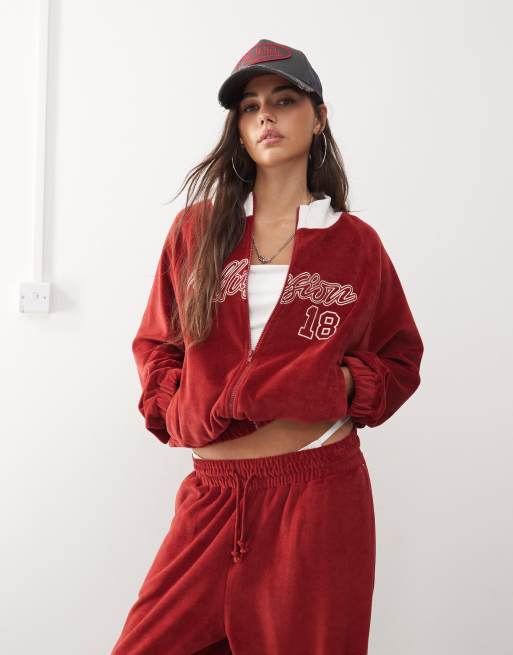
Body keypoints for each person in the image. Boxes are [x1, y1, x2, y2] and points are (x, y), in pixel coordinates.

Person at [111, 38, 424, 654]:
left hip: (317, 494)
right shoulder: (199, 230)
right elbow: (158, 343)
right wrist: (178, 406)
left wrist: (339, 386)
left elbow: (400, 358)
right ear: (237, 127)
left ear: (319, 116)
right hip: (211, 495)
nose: (265, 116)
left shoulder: (355, 243)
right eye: (250, 106)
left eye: (283, 101)